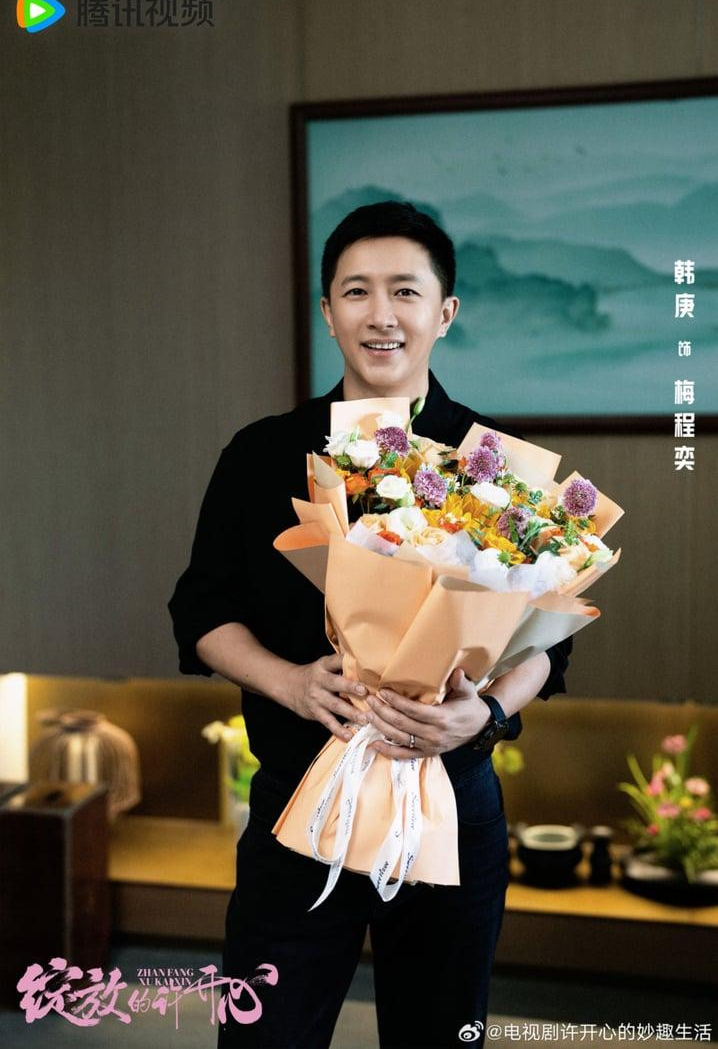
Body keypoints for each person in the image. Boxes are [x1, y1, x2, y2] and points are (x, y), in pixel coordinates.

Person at [168, 201, 572, 1049]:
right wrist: (288, 681)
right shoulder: (262, 454)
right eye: (356, 291)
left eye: (404, 291)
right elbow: (201, 609)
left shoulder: (494, 463)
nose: (380, 314)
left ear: (444, 312)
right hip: (298, 799)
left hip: (449, 799)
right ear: (328, 311)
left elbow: (548, 638)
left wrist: (485, 713)